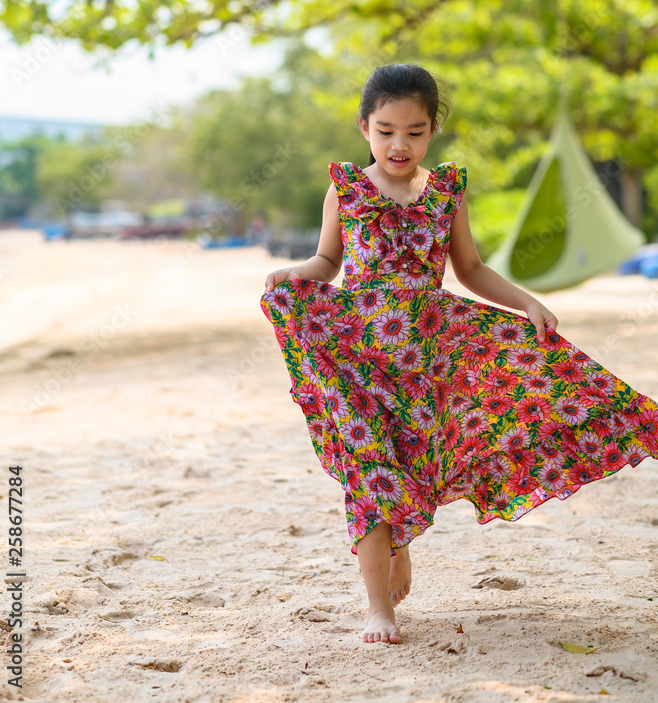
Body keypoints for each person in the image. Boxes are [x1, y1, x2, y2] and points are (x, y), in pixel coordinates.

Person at [259, 62, 658, 646]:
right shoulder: (346, 189)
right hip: (359, 359)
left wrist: (526, 303)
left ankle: (400, 544)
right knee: (369, 472)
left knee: (422, 462)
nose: (400, 144)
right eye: (387, 130)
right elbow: (327, 262)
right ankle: (379, 611)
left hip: (433, 356)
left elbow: (468, 269)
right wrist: (296, 273)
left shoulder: (445, 192)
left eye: (415, 131)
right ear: (364, 127)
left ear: (432, 129)